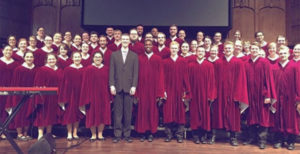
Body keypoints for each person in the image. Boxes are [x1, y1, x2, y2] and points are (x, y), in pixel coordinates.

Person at [243, 43, 277, 149]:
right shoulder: (246, 63)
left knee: (263, 117)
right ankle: (252, 138)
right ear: (250, 50)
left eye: (255, 49)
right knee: (251, 116)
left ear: (259, 50)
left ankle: (262, 140)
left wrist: (268, 95)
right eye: (252, 49)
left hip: (262, 95)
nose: (253, 50)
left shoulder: (264, 62)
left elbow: (269, 80)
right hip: (250, 95)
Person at [215, 41, 248, 146]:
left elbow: (241, 80)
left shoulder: (238, 62)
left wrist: (238, 95)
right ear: (223, 49)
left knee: (233, 115)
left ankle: (233, 137)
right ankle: (215, 135)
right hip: (221, 93)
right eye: (226, 48)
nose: (228, 50)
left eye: (230, 48)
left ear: (233, 49)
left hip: (233, 94)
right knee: (219, 113)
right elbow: (214, 80)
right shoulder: (218, 62)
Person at [109, 34, 139, 143]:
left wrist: (134, 86)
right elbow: (111, 71)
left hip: (129, 88)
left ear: (129, 41)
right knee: (117, 113)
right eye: (124, 39)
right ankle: (117, 134)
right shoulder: (114, 55)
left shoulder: (134, 55)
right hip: (117, 87)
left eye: (127, 39)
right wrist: (111, 85)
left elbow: (136, 73)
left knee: (128, 113)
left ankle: (127, 134)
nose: (125, 41)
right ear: (121, 40)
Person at [135, 40, 164, 142]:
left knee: (152, 111)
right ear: (144, 46)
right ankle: (142, 133)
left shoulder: (158, 59)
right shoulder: (139, 58)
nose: (148, 46)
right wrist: (136, 92)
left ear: (153, 46)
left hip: (153, 89)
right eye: (146, 45)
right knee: (142, 111)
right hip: (142, 89)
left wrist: (159, 93)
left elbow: (161, 76)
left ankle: (151, 133)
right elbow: (136, 76)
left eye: (149, 44)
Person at [272, 46, 300, 150]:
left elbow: (298, 83)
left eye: (285, 53)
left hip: (291, 99)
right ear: (278, 54)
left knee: (291, 120)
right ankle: (279, 140)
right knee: (278, 119)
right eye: (281, 53)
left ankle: (290, 141)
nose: (283, 55)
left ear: (289, 54)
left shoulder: (294, 66)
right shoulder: (274, 67)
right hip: (278, 98)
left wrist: (298, 99)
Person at [162, 41, 191, 143]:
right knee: (168, 111)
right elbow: (162, 78)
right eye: (172, 48)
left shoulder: (183, 61)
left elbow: (186, 77)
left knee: (180, 112)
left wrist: (186, 90)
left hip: (179, 90)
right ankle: (168, 134)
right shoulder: (165, 62)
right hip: (168, 90)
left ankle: (179, 135)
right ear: (169, 49)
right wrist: (163, 90)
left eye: (175, 48)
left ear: (178, 49)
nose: (174, 50)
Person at [80, 51, 111, 142]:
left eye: (99, 57)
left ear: (102, 59)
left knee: (102, 115)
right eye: (96, 57)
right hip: (91, 96)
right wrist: (86, 97)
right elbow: (84, 84)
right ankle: (93, 135)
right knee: (92, 115)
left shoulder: (106, 69)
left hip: (103, 96)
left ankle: (100, 134)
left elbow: (109, 83)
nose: (98, 58)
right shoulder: (88, 69)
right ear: (93, 58)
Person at [188, 46, 216, 144]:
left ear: (205, 53)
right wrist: (189, 94)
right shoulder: (190, 65)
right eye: (199, 51)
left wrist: (211, 95)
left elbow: (212, 82)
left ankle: (203, 136)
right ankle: (195, 136)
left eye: (202, 51)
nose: (200, 53)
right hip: (194, 95)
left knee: (205, 115)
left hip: (205, 95)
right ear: (195, 52)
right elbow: (188, 82)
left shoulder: (209, 65)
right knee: (195, 115)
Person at [6, 51, 36, 141]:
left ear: (33, 58)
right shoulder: (18, 69)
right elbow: (14, 83)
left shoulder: (36, 69)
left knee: (28, 113)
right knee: (19, 114)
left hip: (30, 95)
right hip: (19, 96)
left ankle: (26, 133)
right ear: (24, 58)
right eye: (27, 57)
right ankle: (19, 134)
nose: (29, 58)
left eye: (31, 57)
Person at [32, 53, 63, 140]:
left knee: (51, 115)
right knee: (42, 114)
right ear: (46, 60)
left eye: (53, 59)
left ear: (56, 60)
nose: (51, 61)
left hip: (55, 96)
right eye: (50, 59)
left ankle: (49, 133)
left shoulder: (60, 70)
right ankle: (40, 134)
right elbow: (38, 83)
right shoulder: (42, 70)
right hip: (44, 96)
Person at [59, 52, 84, 141]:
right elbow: (63, 83)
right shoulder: (67, 69)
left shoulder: (83, 69)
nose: (77, 59)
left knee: (78, 113)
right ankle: (69, 132)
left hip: (80, 94)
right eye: (75, 57)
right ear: (72, 58)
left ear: (81, 58)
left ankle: (75, 132)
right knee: (69, 114)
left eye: (78, 57)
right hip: (70, 95)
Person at [0, 45, 20, 140]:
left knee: (6, 110)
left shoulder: (16, 64)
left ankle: (3, 131)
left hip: (10, 90)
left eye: (10, 50)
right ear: (3, 51)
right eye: (6, 50)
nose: (8, 51)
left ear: (13, 52)